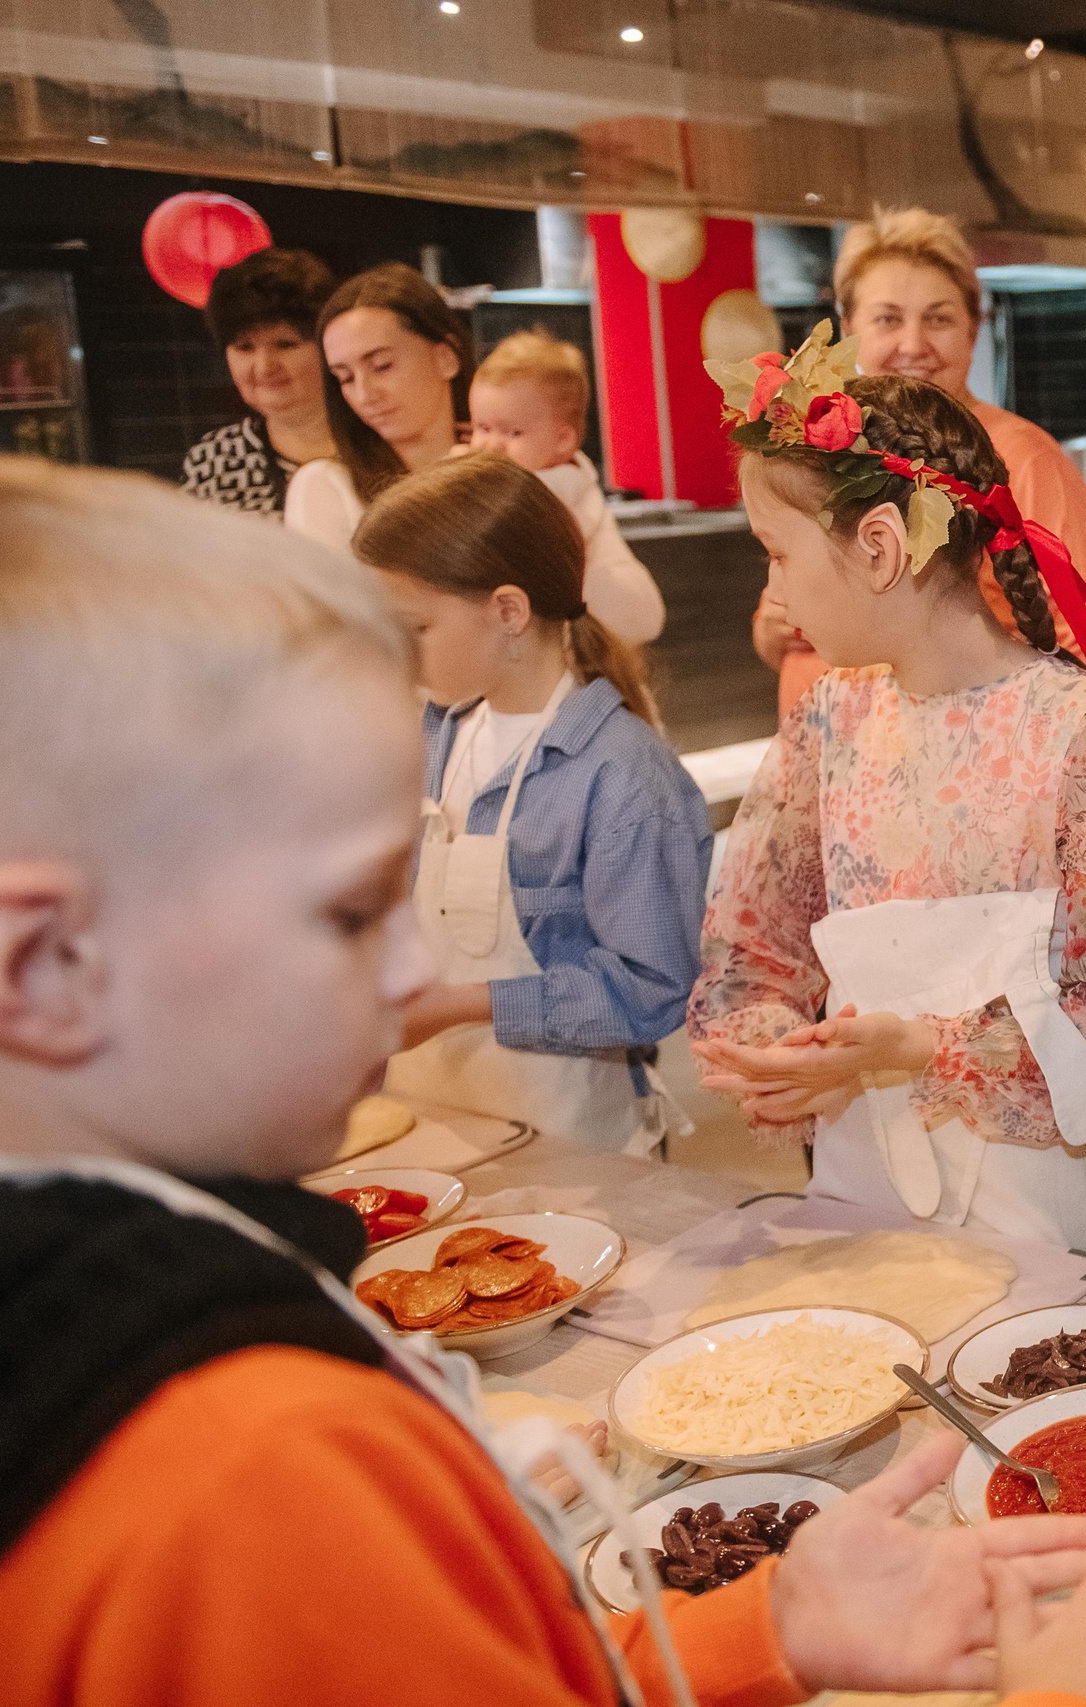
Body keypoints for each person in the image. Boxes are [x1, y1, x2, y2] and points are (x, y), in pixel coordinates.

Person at [0, 453, 1086, 1706]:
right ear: (38, 963)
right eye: (353, 910)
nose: (417, 954)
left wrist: (746, 1634)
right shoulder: (256, 1474)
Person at [689, 354, 1086, 1274]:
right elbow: (751, 958)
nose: (776, 592)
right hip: (860, 1216)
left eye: (777, 553)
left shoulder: (1077, 731)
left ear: (879, 547)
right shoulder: (829, 724)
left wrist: (923, 1048)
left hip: (1047, 1232)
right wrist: (777, 1056)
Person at [353, 454, 708, 1156]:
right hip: (433, 1122)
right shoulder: (436, 735)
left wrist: (460, 1006)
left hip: (578, 1149)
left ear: (508, 611)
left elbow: (652, 991)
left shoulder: (621, 774)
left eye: (414, 628)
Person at [753, 207, 1086, 715]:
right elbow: (780, 633)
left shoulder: (1020, 459)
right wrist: (772, 631)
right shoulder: (822, 447)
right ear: (848, 327)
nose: (913, 345)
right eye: (888, 319)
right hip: (822, 766)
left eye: (938, 319)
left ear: (973, 330)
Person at [464, 330, 667, 647]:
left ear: (563, 440)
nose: (491, 445)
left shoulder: (555, 492)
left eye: (513, 432)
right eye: (482, 428)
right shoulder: (508, 477)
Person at [286, 262, 472, 551]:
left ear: (446, 358)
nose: (364, 394)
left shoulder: (511, 464)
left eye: (382, 366)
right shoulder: (327, 486)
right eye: (345, 378)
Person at [180, 247, 338, 513]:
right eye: (245, 348)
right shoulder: (215, 459)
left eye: (286, 344)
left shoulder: (384, 439)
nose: (264, 367)